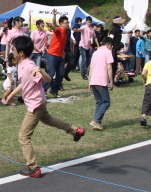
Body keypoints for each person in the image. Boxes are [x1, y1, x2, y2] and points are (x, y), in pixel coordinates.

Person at [7, 36, 85, 178]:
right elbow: (24, 83)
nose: (11, 51)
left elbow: (49, 79)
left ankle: (33, 168)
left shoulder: (30, 66)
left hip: (35, 105)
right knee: (49, 120)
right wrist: (11, 94)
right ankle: (76, 131)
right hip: (38, 102)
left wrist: (40, 71)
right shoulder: (22, 63)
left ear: (21, 52)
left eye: (13, 49)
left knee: (24, 136)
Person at [88, 37, 114, 131]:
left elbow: (91, 67)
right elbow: (109, 67)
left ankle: (96, 122)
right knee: (106, 102)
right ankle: (95, 120)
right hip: (101, 80)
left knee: (99, 102)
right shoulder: (107, 52)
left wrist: (90, 81)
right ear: (110, 45)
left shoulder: (95, 52)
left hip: (94, 79)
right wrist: (111, 81)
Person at [42, 9, 69, 98]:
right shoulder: (59, 29)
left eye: (68, 22)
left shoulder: (65, 32)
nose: (68, 24)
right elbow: (54, 26)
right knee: (51, 73)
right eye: (66, 22)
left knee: (61, 74)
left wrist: (63, 52)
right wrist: (54, 16)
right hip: (52, 55)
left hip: (60, 55)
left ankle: (54, 90)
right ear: (61, 24)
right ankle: (43, 91)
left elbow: (60, 43)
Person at [74, 16, 99, 80]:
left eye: (90, 22)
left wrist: (98, 45)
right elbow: (79, 29)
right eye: (88, 22)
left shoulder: (92, 29)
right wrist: (76, 30)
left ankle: (87, 71)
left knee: (88, 60)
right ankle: (83, 73)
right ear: (86, 22)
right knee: (84, 59)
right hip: (82, 45)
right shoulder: (84, 27)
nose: (89, 23)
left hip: (88, 46)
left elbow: (95, 37)